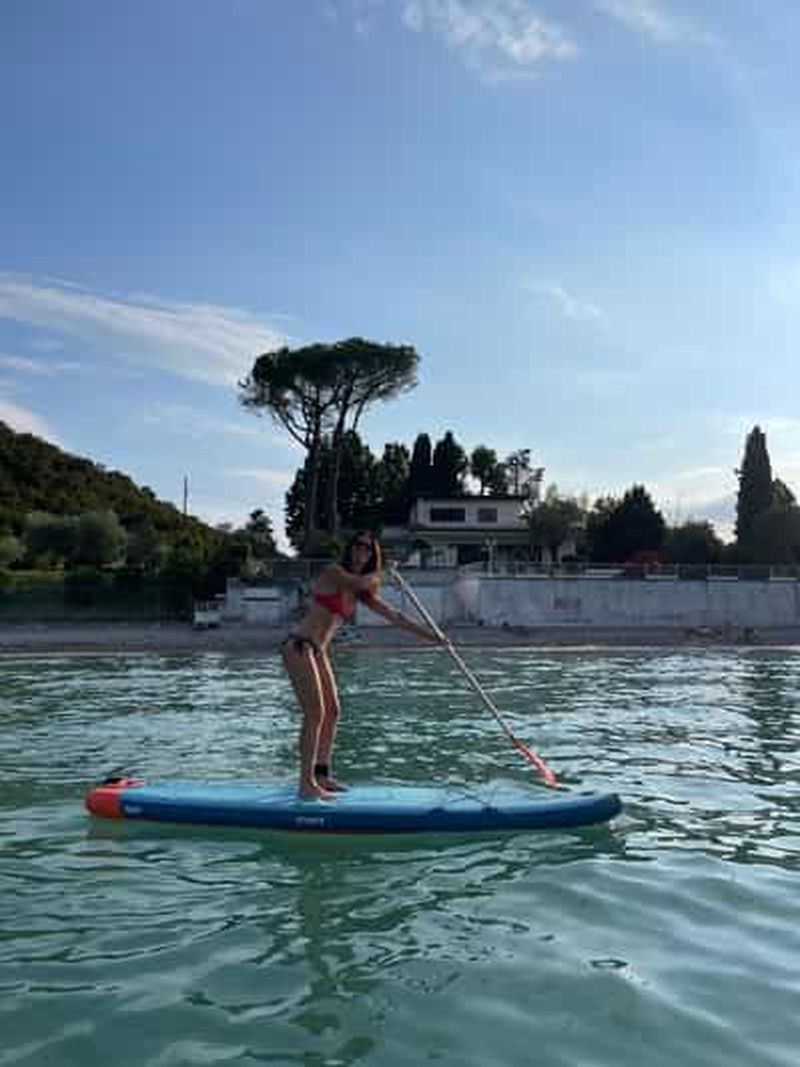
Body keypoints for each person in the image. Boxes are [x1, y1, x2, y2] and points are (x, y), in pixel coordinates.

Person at [281, 532, 441, 800]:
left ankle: (322, 775)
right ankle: (305, 784)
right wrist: (385, 573)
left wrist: (433, 637)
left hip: (318, 652)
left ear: (371, 556)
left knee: (333, 711)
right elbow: (358, 580)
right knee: (315, 713)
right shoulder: (335, 574)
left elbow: (396, 616)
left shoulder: (360, 593)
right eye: (357, 546)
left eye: (367, 550)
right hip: (299, 646)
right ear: (350, 549)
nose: (361, 552)